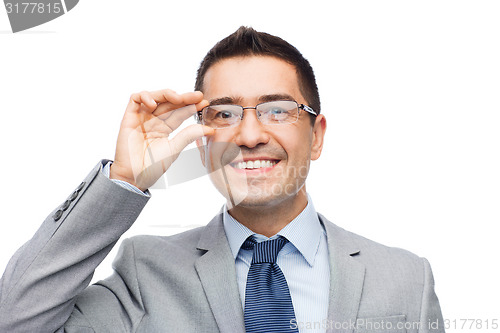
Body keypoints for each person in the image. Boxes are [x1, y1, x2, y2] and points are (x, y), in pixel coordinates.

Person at [0, 27, 444, 332]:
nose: (250, 136)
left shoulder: (405, 279)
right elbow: (16, 321)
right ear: (201, 143)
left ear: (317, 136)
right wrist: (125, 179)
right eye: (225, 114)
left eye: (277, 110)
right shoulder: (146, 273)